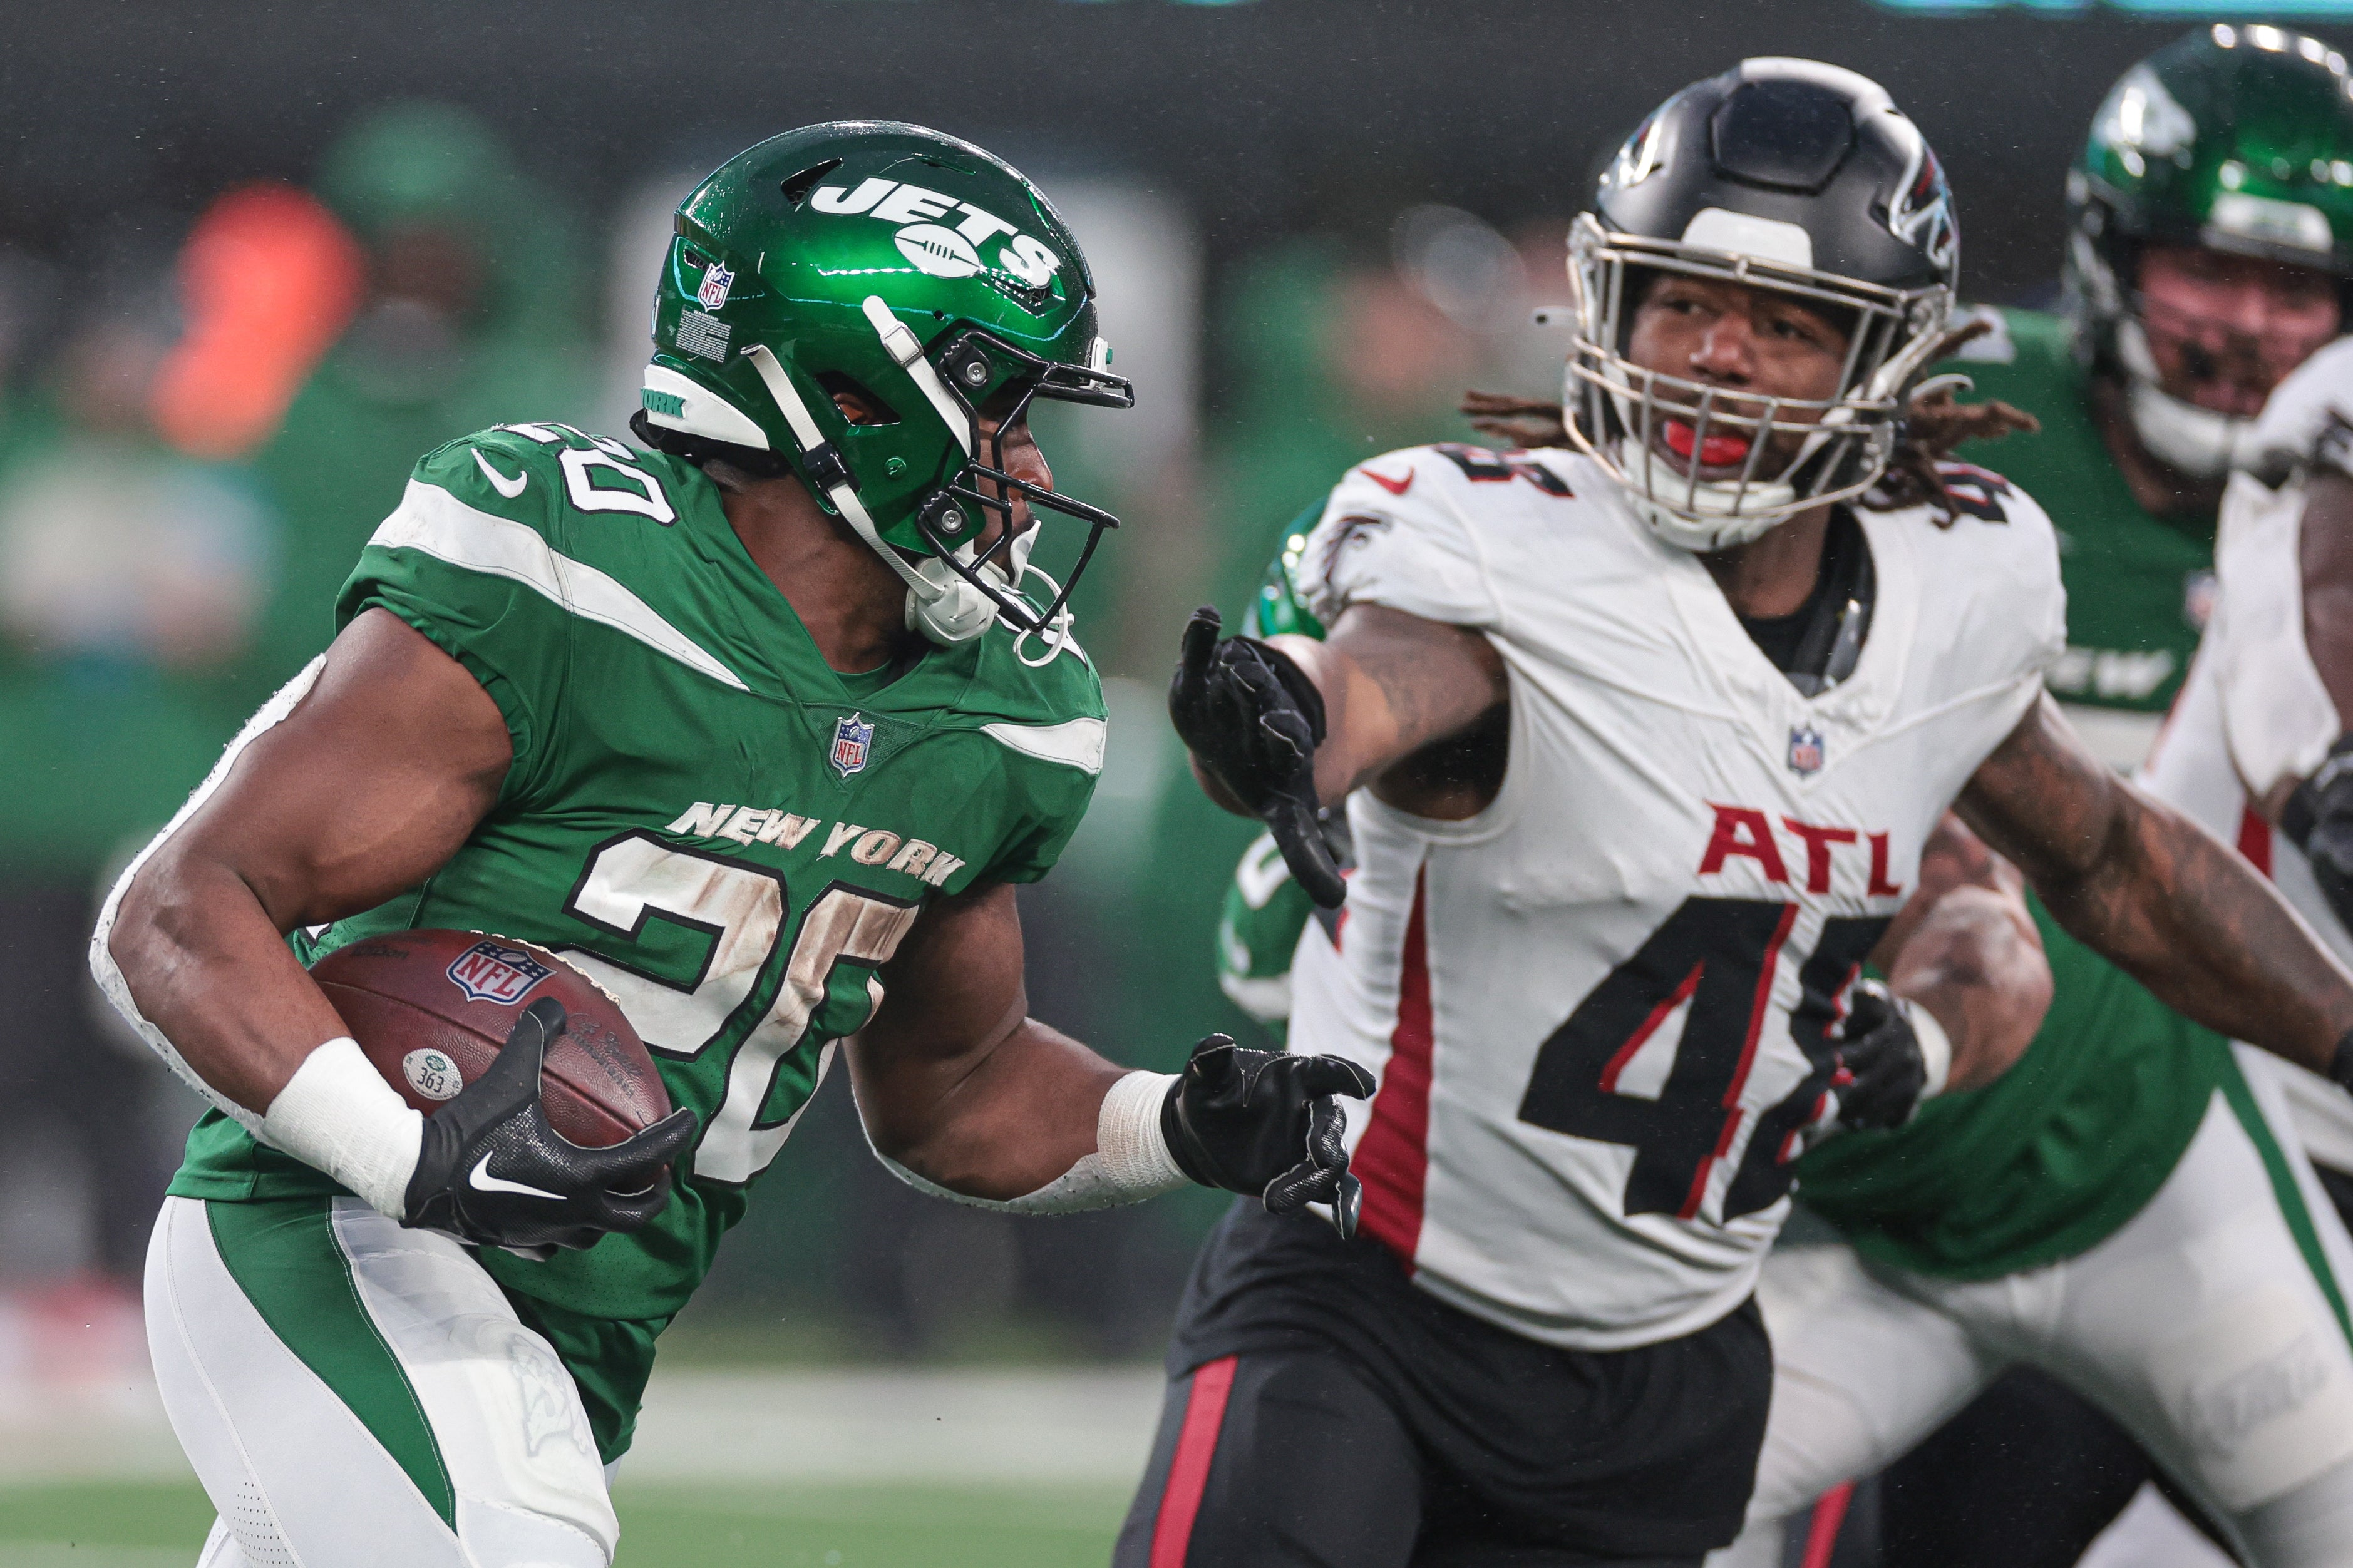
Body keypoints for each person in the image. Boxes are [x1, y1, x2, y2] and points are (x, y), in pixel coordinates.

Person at [1128, 58, 2353, 1568]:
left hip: (1828, 1289)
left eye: (1787, 327)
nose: (1718, 358)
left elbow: (2108, 859)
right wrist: (1285, 716)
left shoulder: (1956, 583)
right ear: (1606, 305)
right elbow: (1377, 682)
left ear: (1884, 367)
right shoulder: (1499, 551)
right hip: (1495, 1284)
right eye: (1683, 305)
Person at [91, 122, 1370, 1568]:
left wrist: (1182, 1123)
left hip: (575, 1325)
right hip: (333, 1235)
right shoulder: (570, 573)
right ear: (848, 385)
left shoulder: (998, 708)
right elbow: (179, 910)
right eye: (1003, 408)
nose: (1031, 464)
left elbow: (952, 1089)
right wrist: (410, 1153)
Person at [1712, 30, 2353, 1568]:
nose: (2251, 329)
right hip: (1902, 1096)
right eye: (2210, 274)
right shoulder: (1935, 428)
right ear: (2107, 256)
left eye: (2298, 292)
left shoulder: (2314, 482)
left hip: (2241, 1120)